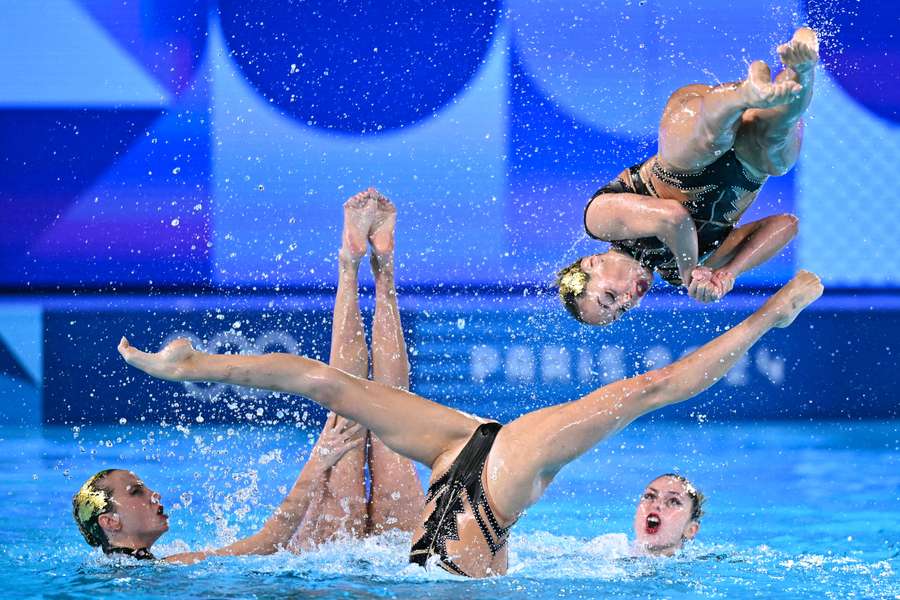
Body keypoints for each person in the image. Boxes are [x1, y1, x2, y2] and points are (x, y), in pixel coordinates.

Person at [119, 249, 823, 577]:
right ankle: (193, 364)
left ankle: (197, 365)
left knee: (333, 386)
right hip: (481, 488)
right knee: (645, 389)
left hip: (471, 482)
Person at [74, 189, 424, 563]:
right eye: (136, 492)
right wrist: (317, 459)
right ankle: (374, 267)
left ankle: (358, 264)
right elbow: (267, 541)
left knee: (367, 431)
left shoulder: (152, 569)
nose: (153, 495)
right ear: (110, 522)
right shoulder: (162, 569)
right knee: (388, 421)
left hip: (344, 570)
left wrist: (323, 458)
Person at [557, 27, 819, 326]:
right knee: (777, 140)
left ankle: (746, 93)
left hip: (691, 129)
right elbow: (785, 225)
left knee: (700, 147)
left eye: (609, 297)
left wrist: (689, 271)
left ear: (592, 263)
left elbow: (673, 217)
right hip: (749, 166)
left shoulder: (599, 222)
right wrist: (727, 273)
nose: (628, 301)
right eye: (622, 311)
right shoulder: (684, 268)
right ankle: (802, 68)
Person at [633, 474, 704, 556]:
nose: (657, 505)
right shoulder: (616, 551)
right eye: (650, 496)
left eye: (673, 501)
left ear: (690, 530)